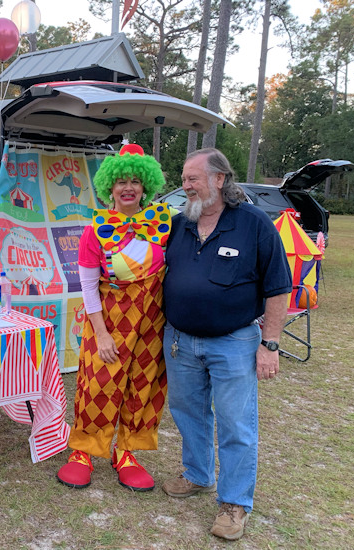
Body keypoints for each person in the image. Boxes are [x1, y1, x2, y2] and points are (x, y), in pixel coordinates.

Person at [161, 148, 292, 540]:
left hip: (234, 342)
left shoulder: (253, 223)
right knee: (188, 412)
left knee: (236, 424)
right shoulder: (178, 225)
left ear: (219, 179)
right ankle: (198, 475)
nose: (185, 186)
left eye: (193, 178)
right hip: (180, 341)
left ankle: (235, 502)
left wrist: (270, 344)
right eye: (183, 179)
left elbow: (278, 286)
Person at [56, 143, 172, 492]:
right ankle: (84, 452)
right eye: (121, 181)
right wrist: (102, 333)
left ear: (146, 186)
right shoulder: (95, 230)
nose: (128, 188)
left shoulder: (164, 226)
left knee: (143, 386)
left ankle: (127, 452)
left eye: (135, 181)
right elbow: (88, 287)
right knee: (98, 384)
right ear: (111, 186)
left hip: (152, 323)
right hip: (108, 322)